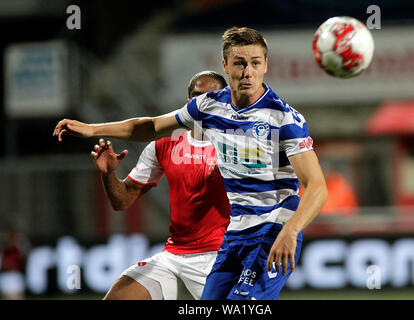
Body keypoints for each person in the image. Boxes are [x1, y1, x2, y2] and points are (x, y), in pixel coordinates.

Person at [53, 27, 328, 300]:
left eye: (255, 63)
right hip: (235, 236)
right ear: (225, 65)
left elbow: (317, 186)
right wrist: (92, 129)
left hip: (272, 229)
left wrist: (291, 230)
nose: (248, 72)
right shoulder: (208, 106)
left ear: (266, 65)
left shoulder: (284, 119)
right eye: (239, 63)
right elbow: (151, 126)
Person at [94, 71, 230, 300]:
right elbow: (122, 200)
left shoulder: (237, 144)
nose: (203, 102)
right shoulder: (164, 144)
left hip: (219, 256)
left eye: (212, 96)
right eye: (197, 96)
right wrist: (109, 174)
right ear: (188, 103)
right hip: (174, 255)